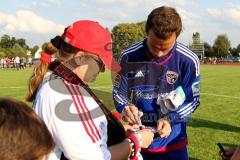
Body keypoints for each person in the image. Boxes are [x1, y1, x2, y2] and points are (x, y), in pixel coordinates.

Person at [26, 20, 154, 160]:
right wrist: (136, 141)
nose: (103, 69)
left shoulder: (56, 80)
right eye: (100, 62)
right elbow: (95, 157)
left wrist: (119, 127)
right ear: (80, 58)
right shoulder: (66, 93)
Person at [113, 6, 200, 160]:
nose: (158, 53)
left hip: (173, 144)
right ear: (147, 32)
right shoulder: (128, 56)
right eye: (154, 46)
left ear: (176, 37)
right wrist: (125, 107)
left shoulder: (189, 60)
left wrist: (170, 119)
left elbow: (192, 100)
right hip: (138, 142)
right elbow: (119, 93)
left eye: (165, 48)